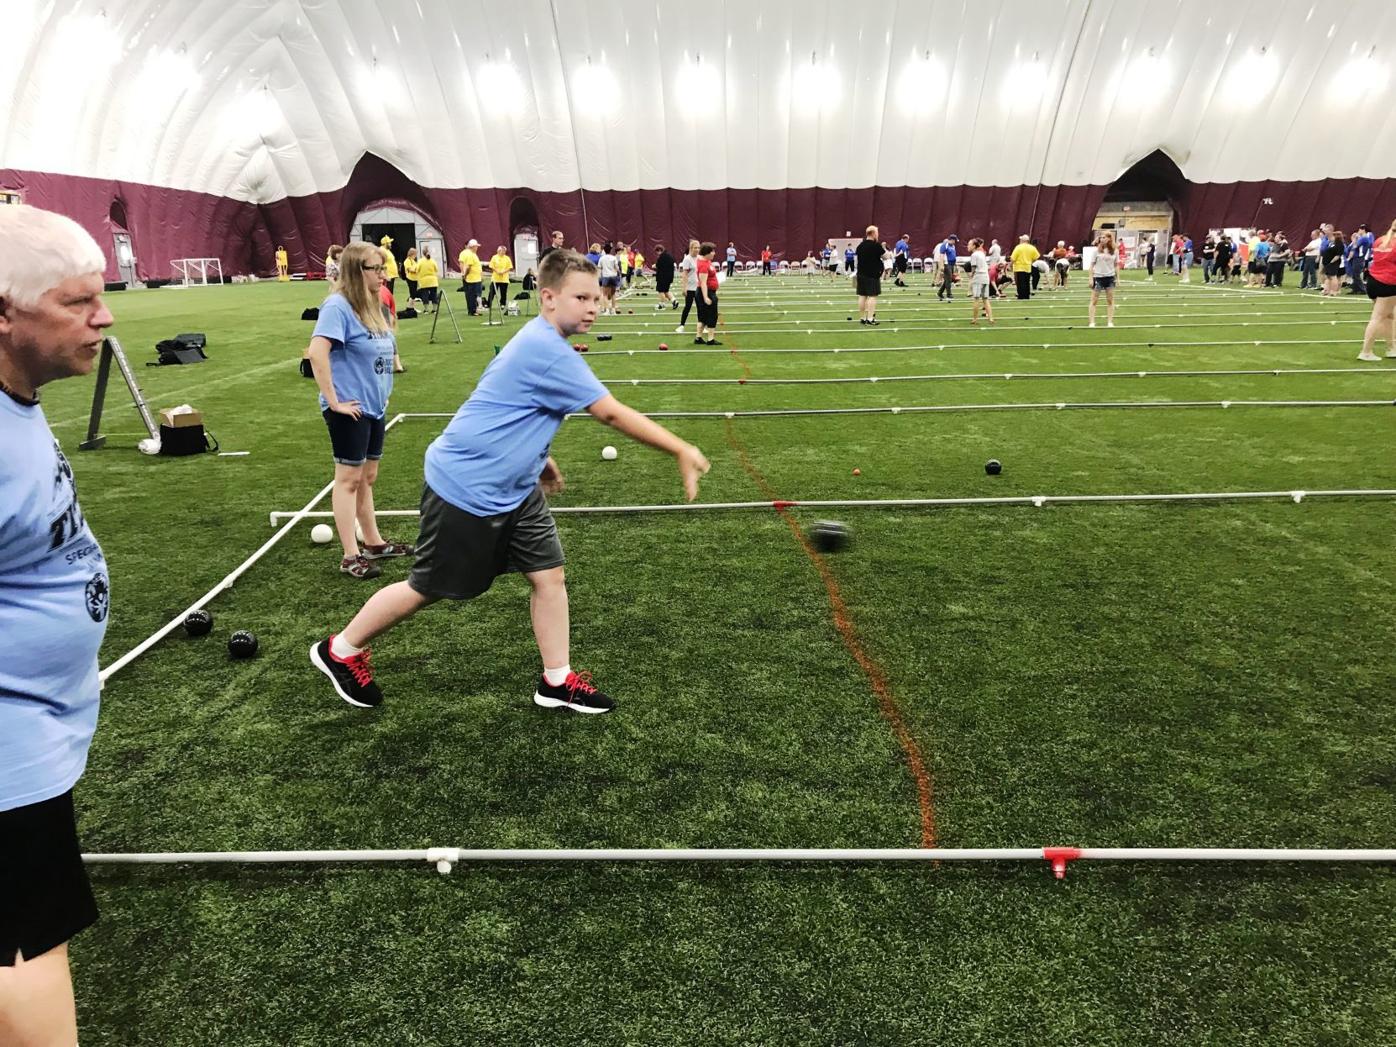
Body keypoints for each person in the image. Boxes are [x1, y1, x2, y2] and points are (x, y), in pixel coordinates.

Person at [309, 249, 711, 714]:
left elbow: (504, 404)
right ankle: (342, 648)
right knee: (429, 586)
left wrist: (538, 458)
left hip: (516, 489)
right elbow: (610, 412)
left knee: (549, 575)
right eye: (580, 297)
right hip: (467, 486)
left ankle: (557, 680)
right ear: (547, 298)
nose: (593, 306)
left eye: (596, 296)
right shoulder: (544, 348)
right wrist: (680, 449)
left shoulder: (542, 341)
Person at [0, 204, 115, 1047]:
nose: (105, 317)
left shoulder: (18, 397)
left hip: (37, 720)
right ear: (4, 313)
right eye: (78, 301)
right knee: (24, 948)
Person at [304, 242, 415, 580]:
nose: (383, 274)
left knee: (368, 477)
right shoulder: (337, 306)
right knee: (349, 478)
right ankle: (350, 554)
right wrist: (335, 401)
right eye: (376, 268)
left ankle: (374, 542)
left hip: (373, 406)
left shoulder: (374, 303)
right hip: (349, 409)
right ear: (356, 270)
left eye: (383, 267)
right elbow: (316, 352)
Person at [1358, 218, 1396, 362]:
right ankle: (1366, 351)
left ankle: (1392, 348)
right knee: (1378, 317)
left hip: (1373, 281)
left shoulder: (1380, 240)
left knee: (1389, 315)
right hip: (1388, 282)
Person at [854, 225, 884, 325]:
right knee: (872, 296)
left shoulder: (860, 246)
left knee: (862, 296)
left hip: (860, 273)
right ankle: (870, 318)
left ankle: (862, 318)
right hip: (873, 274)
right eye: (877, 233)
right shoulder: (876, 245)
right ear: (873, 233)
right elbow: (886, 256)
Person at [1088, 231, 1118, 328]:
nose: (1102, 239)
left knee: (1110, 301)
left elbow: (1116, 265)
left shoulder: (1115, 251)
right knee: (1094, 301)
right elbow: (1091, 265)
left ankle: (1110, 322)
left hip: (1110, 277)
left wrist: (1118, 279)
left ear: (1109, 238)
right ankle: (1092, 322)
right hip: (1098, 277)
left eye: (1104, 237)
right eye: (1101, 237)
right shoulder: (1096, 251)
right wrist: (1090, 279)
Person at [694, 242, 721, 345]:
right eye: (712, 251)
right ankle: (710, 339)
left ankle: (698, 338)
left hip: (708, 291)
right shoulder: (703, 265)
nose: (714, 253)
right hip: (705, 292)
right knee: (711, 315)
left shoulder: (705, 261)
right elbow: (703, 283)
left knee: (703, 316)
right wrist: (706, 297)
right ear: (707, 253)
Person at [966, 237, 993, 326]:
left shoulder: (974, 255)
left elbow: (973, 268)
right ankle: (990, 318)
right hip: (986, 277)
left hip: (979, 277)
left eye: (969, 244)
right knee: (985, 299)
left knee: (976, 298)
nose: (968, 246)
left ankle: (975, 319)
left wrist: (971, 275)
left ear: (974, 246)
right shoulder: (981, 253)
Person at [675, 240, 699, 333]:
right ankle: (681, 325)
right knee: (687, 307)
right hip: (690, 288)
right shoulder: (687, 259)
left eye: (698, 248)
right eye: (695, 247)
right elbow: (684, 275)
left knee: (700, 308)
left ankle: (701, 326)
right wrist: (684, 288)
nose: (697, 249)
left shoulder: (700, 258)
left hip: (698, 287)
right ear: (691, 248)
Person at [458, 238, 483, 316]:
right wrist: (464, 275)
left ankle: (473, 310)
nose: (477, 248)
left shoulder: (472, 254)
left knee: (471, 295)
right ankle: (472, 311)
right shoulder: (470, 254)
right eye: (476, 246)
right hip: (472, 279)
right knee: (472, 295)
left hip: (475, 277)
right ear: (472, 247)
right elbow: (467, 267)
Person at [1009, 234, 1038, 300]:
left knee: (1020, 283)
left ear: (1022, 240)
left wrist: (1010, 265)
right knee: (1027, 282)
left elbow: (1013, 258)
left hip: (1019, 267)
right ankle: (1027, 296)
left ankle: (1021, 296)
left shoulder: (1018, 247)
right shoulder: (1032, 247)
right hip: (1028, 267)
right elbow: (1036, 257)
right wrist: (1030, 262)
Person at [596, 242, 621, 316]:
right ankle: (613, 310)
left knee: (605, 295)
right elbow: (617, 268)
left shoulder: (601, 258)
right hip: (613, 276)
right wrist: (619, 274)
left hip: (606, 277)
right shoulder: (613, 258)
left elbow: (599, 269)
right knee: (613, 294)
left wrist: (598, 278)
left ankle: (607, 310)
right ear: (610, 250)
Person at [487, 244, 513, 312]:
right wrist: (497, 271)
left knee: (503, 292)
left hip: (504, 279)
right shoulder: (494, 257)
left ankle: (502, 304)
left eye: (504, 251)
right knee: (492, 291)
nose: (503, 252)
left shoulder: (507, 258)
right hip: (495, 278)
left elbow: (509, 267)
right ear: (498, 251)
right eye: (502, 251)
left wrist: (504, 271)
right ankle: (489, 304)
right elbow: (491, 266)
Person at [1321, 232, 1346, 296]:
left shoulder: (1340, 245)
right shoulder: (1332, 244)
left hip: (1333, 263)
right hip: (1327, 263)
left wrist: (1331, 262)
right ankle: (1327, 290)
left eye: (1332, 236)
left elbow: (1338, 255)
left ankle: (1333, 291)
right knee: (1328, 277)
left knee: (1333, 276)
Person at [415, 246, 439, 313]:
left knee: (425, 295)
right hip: (433, 281)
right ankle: (434, 310)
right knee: (434, 295)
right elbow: (436, 269)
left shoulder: (420, 261)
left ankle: (426, 310)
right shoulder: (433, 261)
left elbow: (417, 270)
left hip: (424, 281)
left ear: (423, 253)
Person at [653, 245, 677, 309]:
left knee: (660, 290)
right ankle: (674, 301)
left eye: (657, 252)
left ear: (659, 251)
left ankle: (662, 305)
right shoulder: (669, 256)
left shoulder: (661, 257)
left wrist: (654, 266)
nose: (657, 254)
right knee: (666, 291)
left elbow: (658, 266)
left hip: (662, 277)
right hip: (669, 277)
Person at [936, 235, 958, 300]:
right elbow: (941, 256)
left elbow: (953, 255)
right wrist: (941, 265)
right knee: (949, 280)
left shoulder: (953, 246)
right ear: (951, 239)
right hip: (946, 264)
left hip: (952, 264)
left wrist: (955, 265)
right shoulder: (944, 245)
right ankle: (949, 294)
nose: (955, 242)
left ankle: (940, 293)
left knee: (947, 280)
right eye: (954, 240)